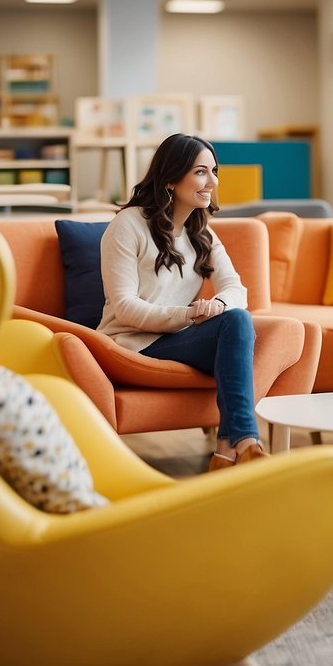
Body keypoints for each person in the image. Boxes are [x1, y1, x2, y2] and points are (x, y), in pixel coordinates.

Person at [97, 133, 267, 471]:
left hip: (176, 338)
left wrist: (217, 304)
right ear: (172, 179)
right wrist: (188, 315)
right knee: (235, 326)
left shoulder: (200, 232)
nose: (212, 181)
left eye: (214, 171)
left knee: (235, 320)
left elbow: (237, 289)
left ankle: (228, 449)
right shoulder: (127, 226)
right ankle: (244, 442)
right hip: (133, 343)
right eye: (201, 172)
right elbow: (125, 307)